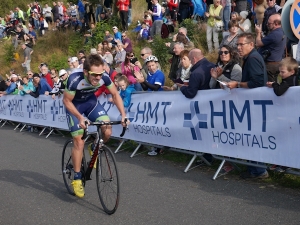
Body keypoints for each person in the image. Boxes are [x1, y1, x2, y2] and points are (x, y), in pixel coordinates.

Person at [63, 54, 127, 198]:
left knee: (107, 131)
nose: (98, 78)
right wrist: (80, 117)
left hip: (91, 104)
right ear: (86, 72)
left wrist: (123, 115)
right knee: (79, 141)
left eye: (101, 74)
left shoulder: (104, 77)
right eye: (95, 75)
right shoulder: (74, 79)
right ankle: (77, 177)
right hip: (75, 107)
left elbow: (115, 94)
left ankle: (94, 147)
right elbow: (66, 101)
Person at [226, 33, 269, 179]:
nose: (238, 47)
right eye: (237, 45)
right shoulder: (251, 58)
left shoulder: (253, 58)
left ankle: (258, 170)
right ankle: (255, 169)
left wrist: (237, 84)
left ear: (251, 45)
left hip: (255, 104)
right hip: (252, 104)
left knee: (253, 137)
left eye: (241, 44)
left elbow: (257, 82)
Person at [256, 14, 286, 82]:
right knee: (274, 84)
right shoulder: (282, 32)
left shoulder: (275, 34)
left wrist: (258, 33)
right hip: (277, 63)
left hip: (270, 65)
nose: (267, 24)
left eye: (269, 23)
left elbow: (258, 44)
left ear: (276, 24)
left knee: (268, 86)